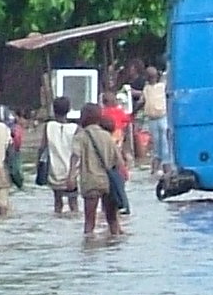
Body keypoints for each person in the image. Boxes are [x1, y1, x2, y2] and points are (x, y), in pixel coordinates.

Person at [72, 103, 125, 239]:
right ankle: (114, 251)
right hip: (108, 181)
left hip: (90, 181)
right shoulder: (107, 136)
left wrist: (70, 176)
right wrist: (122, 178)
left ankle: (89, 251)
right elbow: (118, 160)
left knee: (89, 223)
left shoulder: (81, 136)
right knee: (112, 220)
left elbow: (75, 156)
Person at [41, 96, 80, 216]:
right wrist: (72, 174)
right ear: (69, 110)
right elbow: (77, 153)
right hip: (71, 173)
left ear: (53, 109)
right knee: (73, 204)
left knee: (57, 203)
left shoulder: (48, 127)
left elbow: (42, 148)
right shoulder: (76, 129)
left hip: (55, 172)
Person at [138, 63, 168, 169]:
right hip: (154, 119)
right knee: (158, 142)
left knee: (162, 142)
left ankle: (163, 165)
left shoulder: (161, 86)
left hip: (161, 118)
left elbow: (141, 102)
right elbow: (142, 101)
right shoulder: (148, 88)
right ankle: (161, 164)